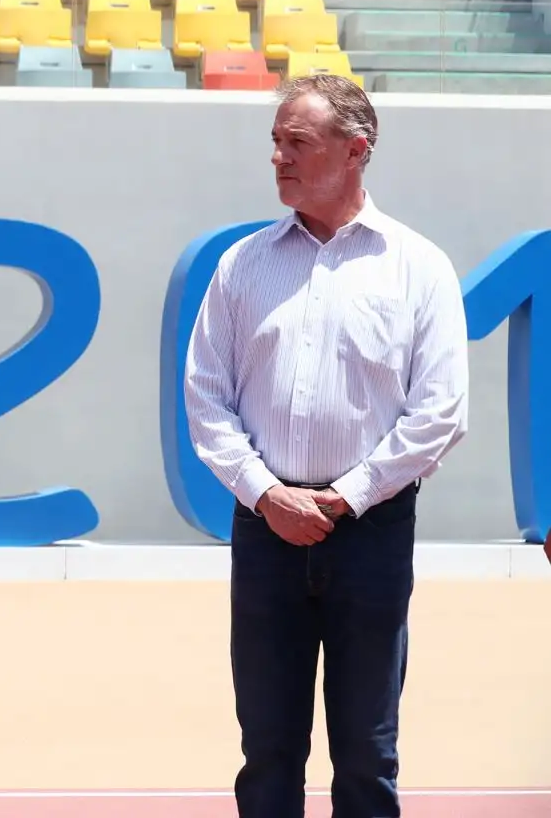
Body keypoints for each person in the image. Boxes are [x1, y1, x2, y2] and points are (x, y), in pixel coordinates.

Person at [185, 74, 469, 818]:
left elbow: (441, 411)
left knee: (367, 755)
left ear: (355, 151)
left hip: (370, 535)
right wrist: (266, 494)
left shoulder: (419, 267)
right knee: (268, 753)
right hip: (265, 531)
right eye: (275, 143)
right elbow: (205, 397)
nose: (277, 157)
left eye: (296, 143)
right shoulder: (242, 265)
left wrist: (346, 496)